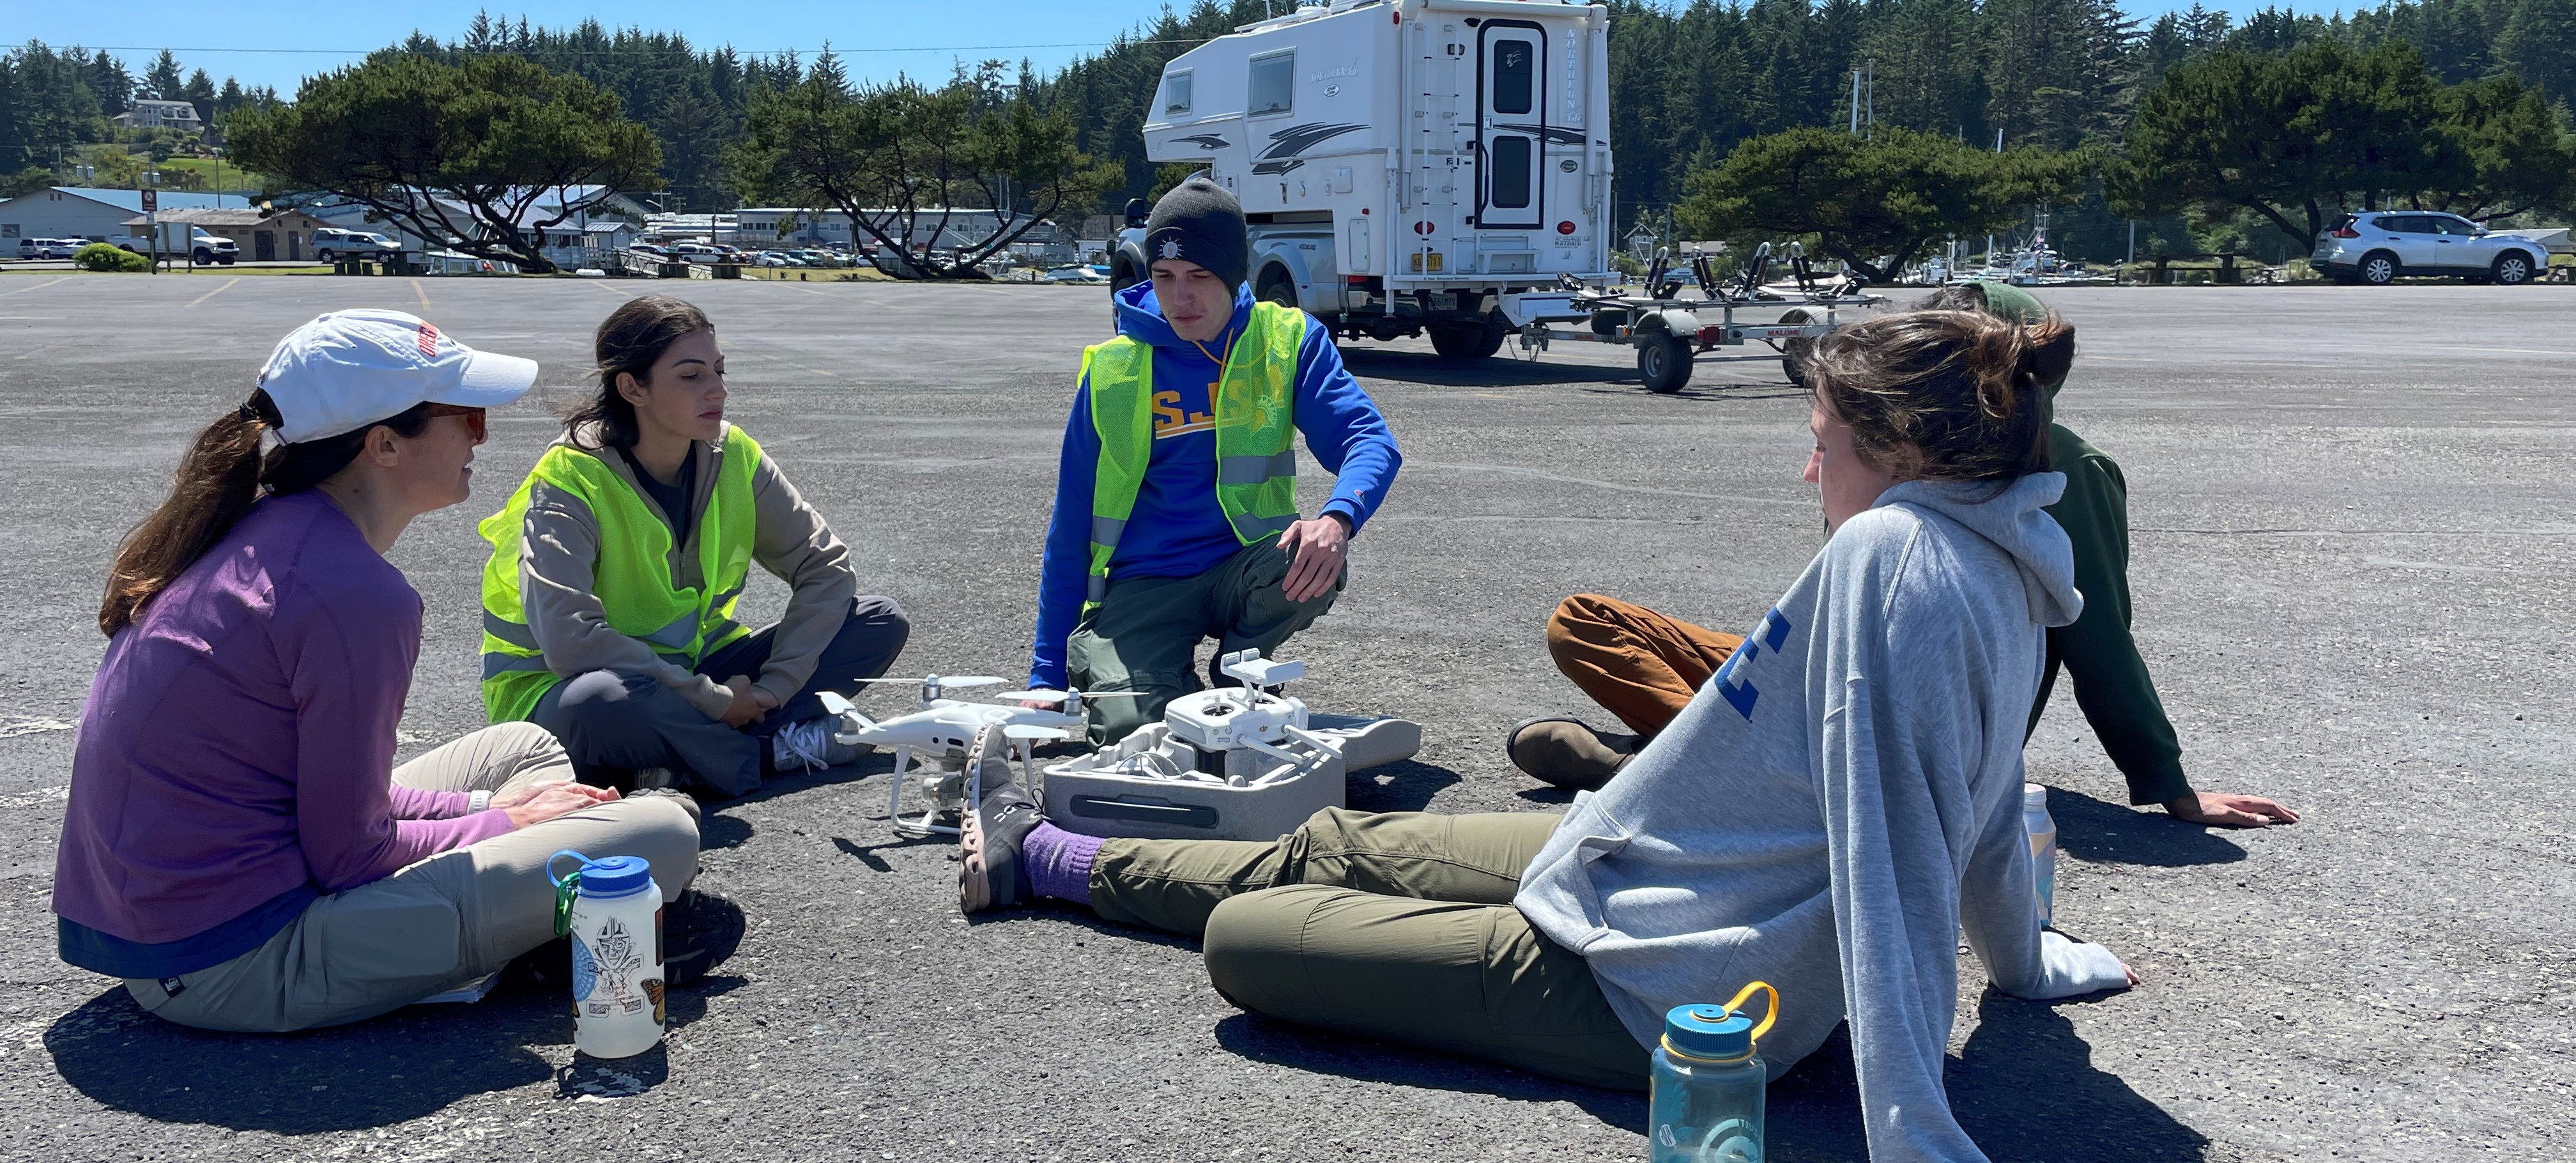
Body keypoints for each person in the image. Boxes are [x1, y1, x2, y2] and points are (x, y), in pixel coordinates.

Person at [959, 309, 2132, 1160]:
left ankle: (1055, 864)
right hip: (1631, 858)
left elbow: (1900, 852)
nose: (1806, 460)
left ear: (1908, 452)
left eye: (1820, 434)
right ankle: (1041, 838)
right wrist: (2024, 966)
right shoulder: (2003, 559)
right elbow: (1989, 796)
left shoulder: (1898, 561)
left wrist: (1915, 1134)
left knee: (1251, 941)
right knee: (1326, 842)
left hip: (1667, 985)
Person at [54, 310, 702, 1033]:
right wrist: (508, 820)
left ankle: (518, 924)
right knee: (664, 829)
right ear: (384, 444)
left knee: (522, 747)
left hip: (176, 927)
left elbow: (328, 808)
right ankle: (523, 939)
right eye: (468, 417)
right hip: (232, 963)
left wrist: (496, 817)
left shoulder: (266, 531)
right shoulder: (352, 594)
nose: (481, 436)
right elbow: (351, 852)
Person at [1510, 281, 2301, 830]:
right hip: (1825, 666)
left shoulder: (2067, 468)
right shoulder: (1892, 441)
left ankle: (1675, 771)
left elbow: (2100, 642)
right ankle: (1707, 755)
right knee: (1584, 621)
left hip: (1894, 716)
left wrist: (2168, 783)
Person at [479, 295, 910, 796]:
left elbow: (825, 568)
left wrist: (773, 687)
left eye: (719, 372)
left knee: (877, 620)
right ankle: (769, 752)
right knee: (603, 702)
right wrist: (712, 700)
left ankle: (681, 763)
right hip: (569, 689)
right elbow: (571, 642)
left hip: (692, 674)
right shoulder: (570, 478)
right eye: (691, 376)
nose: (718, 391)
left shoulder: (732, 455)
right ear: (632, 387)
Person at [1027, 177, 1400, 744]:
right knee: (1136, 736)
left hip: (1246, 567)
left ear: (1234, 275)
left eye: (1200, 277)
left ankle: (1237, 669)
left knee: (1313, 555)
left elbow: (1370, 440)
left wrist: (1337, 519)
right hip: (1144, 583)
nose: (1180, 298)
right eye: (1164, 277)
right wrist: (1046, 674)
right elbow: (1070, 524)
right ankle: (1177, 689)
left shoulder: (1287, 339)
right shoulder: (1112, 369)